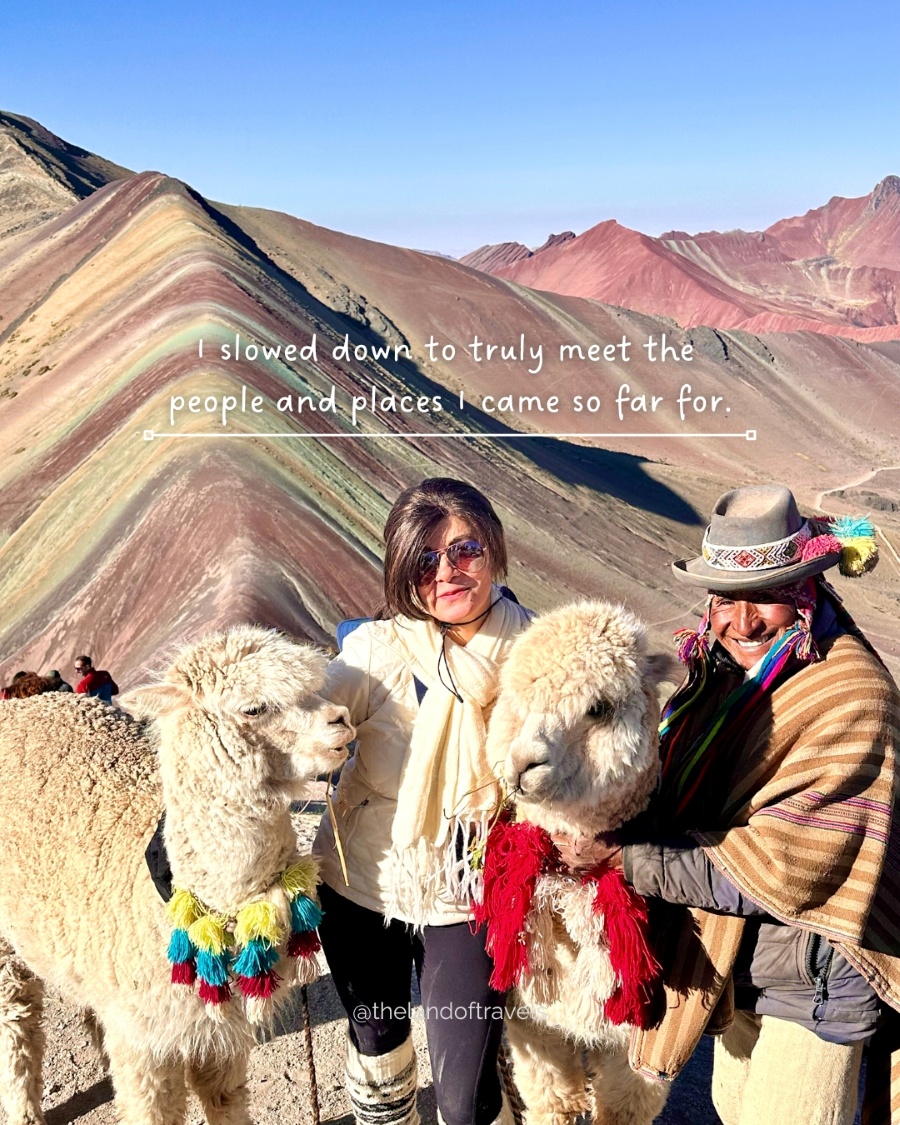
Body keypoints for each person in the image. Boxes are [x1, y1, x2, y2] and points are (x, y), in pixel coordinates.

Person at [555, 484, 900, 1125]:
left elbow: (780, 872)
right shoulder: (721, 676)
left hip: (816, 977)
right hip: (741, 962)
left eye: (764, 596)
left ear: (807, 589)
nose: (741, 623)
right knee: (733, 1108)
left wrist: (624, 859)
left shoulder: (850, 700)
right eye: (726, 599)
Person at [314, 478, 532, 1125]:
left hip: (466, 893)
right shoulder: (373, 652)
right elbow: (309, 713)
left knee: (465, 1095)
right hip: (361, 885)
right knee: (379, 1052)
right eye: (425, 559)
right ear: (401, 569)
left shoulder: (533, 653)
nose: (448, 571)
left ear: (493, 549)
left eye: (464, 549)